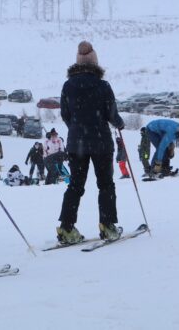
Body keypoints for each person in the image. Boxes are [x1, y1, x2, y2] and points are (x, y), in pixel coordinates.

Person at [56, 41, 125, 245]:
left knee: (75, 185)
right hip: (101, 142)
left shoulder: (68, 86)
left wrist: (77, 128)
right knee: (105, 184)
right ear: (95, 62)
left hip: (76, 143)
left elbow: (65, 114)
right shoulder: (102, 86)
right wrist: (119, 123)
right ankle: (107, 225)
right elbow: (111, 113)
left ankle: (66, 227)